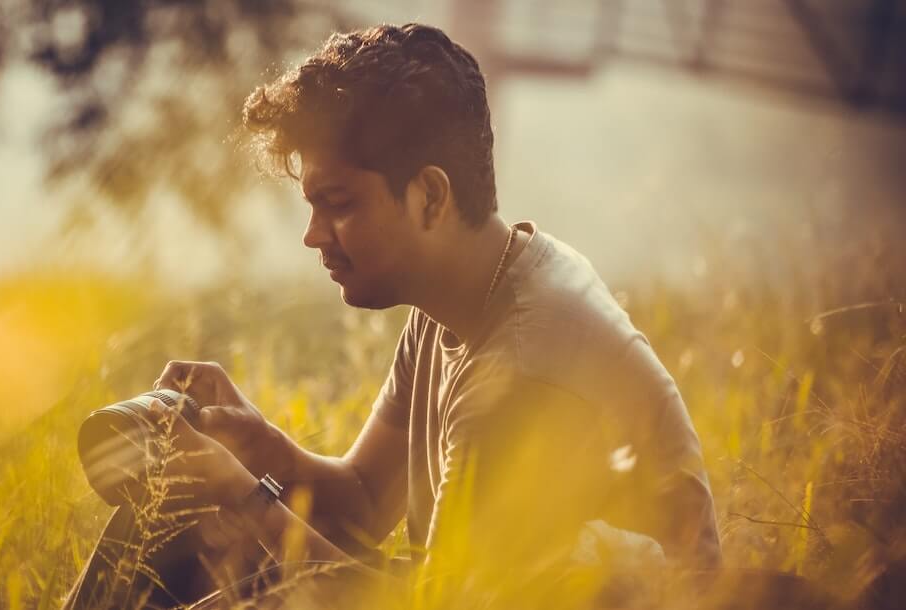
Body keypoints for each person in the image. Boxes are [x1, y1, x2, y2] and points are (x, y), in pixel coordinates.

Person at [70, 22, 721, 608]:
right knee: (175, 503)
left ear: (430, 196)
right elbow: (360, 500)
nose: (314, 235)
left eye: (339, 203)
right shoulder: (460, 296)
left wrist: (246, 495)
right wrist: (258, 447)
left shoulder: (522, 373)